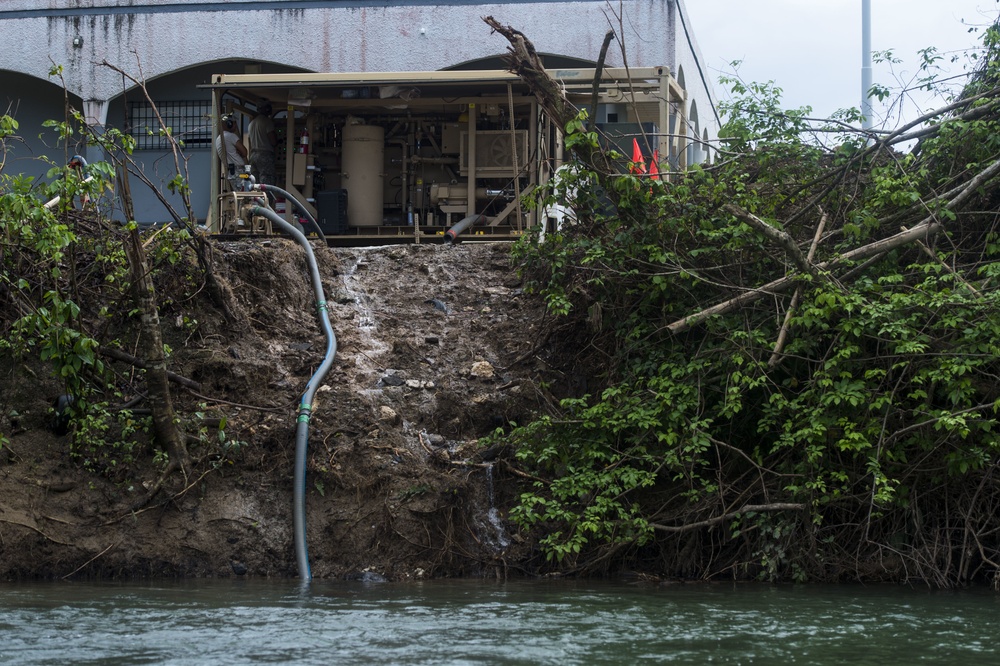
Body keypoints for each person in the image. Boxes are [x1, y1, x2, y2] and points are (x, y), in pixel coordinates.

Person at [247, 101, 278, 188]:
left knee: (254, 182)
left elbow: (249, 142)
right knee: (267, 182)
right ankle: (267, 200)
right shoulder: (267, 122)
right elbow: (273, 141)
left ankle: (257, 200)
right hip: (265, 155)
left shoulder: (251, 124)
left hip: (253, 155)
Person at [215, 114, 248, 191]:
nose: (236, 125)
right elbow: (245, 152)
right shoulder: (231, 136)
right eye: (234, 123)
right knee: (245, 196)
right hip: (238, 171)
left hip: (232, 171)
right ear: (229, 124)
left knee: (240, 197)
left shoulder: (218, 138)